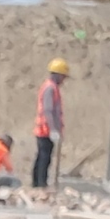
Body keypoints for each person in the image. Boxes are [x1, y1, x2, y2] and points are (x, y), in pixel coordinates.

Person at [31, 58, 70, 189]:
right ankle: (40, 184)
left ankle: (37, 183)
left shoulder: (52, 87)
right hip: (45, 130)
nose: (63, 80)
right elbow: (48, 110)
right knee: (44, 158)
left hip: (46, 130)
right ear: (57, 74)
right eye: (63, 76)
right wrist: (53, 129)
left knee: (42, 157)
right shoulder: (50, 88)